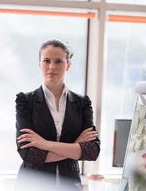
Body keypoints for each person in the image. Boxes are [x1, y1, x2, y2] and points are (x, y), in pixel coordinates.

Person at [15, 39, 100, 190]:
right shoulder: (25, 101)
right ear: (39, 64)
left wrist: (44, 144)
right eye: (46, 61)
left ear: (68, 65)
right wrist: (75, 147)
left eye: (59, 61)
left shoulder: (82, 103)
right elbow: (29, 154)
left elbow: (92, 151)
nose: (52, 67)